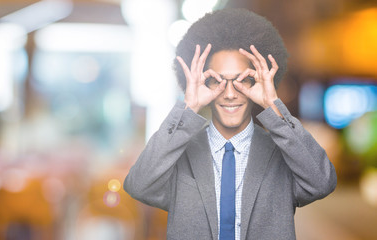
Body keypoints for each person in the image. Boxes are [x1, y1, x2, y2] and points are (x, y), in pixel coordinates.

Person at [123, 8, 337, 240]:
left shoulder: (283, 155)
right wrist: (188, 107)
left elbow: (322, 182)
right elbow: (139, 185)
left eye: (242, 80)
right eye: (216, 80)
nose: (230, 93)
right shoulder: (179, 155)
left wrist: (273, 106)